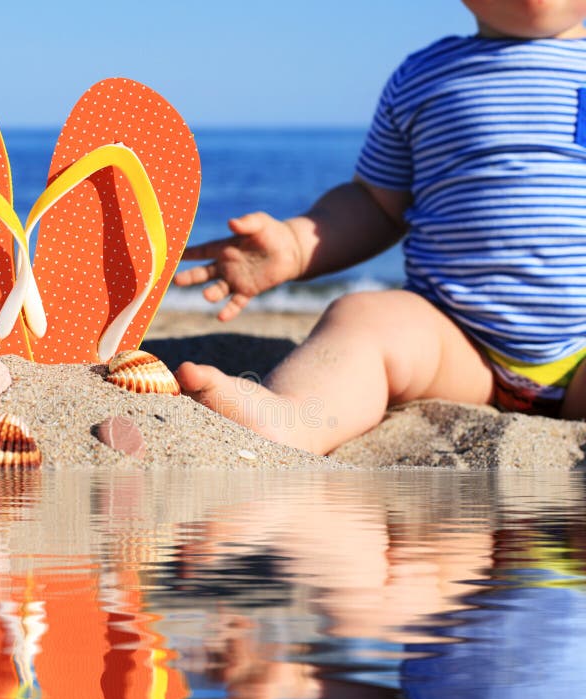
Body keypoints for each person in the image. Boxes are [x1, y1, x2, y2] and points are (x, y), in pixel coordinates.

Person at [174, 0, 586, 455]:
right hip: (457, 343)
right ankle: (291, 417)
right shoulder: (423, 77)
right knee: (361, 319)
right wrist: (294, 244)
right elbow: (376, 203)